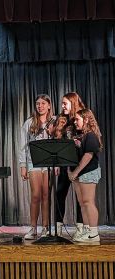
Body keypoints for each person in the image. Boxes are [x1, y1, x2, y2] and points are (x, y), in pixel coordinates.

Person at [19, 94, 55, 240]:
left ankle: (45, 227)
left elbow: (58, 141)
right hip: (33, 162)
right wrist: (23, 165)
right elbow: (23, 146)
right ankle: (33, 228)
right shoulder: (29, 123)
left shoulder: (54, 121)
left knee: (46, 195)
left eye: (43, 103)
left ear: (49, 105)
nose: (40, 106)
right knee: (35, 195)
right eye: (37, 104)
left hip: (48, 162)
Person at [53, 92, 85, 237]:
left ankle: (80, 228)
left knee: (80, 197)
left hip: (79, 165)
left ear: (73, 103)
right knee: (60, 194)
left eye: (65, 103)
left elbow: (88, 138)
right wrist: (57, 164)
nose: (62, 106)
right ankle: (58, 229)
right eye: (62, 103)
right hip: (64, 164)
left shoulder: (81, 117)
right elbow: (57, 143)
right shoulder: (61, 119)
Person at [68, 109, 102, 243]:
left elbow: (88, 156)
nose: (75, 122)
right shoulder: (81, 136)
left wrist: (75, 172)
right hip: (79, 173)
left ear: (86, 119)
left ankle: (94, 234)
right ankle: (88, 231)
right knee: (82, 203)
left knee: (88, 202)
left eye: (77, 119)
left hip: (88, 172)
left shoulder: (91, 135)